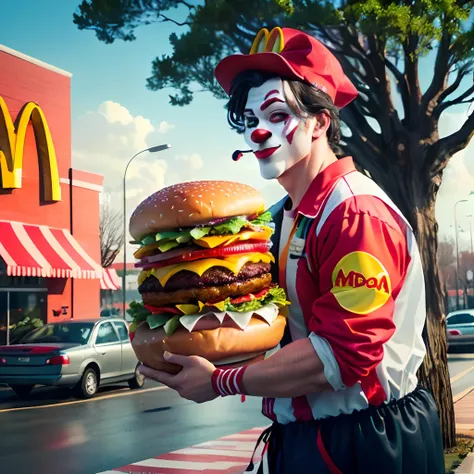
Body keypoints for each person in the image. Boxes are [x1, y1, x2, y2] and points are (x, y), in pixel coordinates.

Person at [139, 27, 445, 473]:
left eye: (277, 113)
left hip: (368, 439)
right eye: (248, 118)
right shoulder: (281, 214)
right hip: (302, 436)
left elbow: (344, 357)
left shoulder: (355, 214)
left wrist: (221, 381)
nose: (258, 131)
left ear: (320, 122)